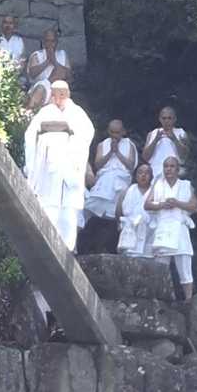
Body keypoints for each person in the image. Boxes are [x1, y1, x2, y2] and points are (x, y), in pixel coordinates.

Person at [24, 80, 95, 325]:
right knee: (48, 216)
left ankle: (68, 255)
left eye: (62, 93)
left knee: (68, 220)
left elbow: (85, 135)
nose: (58, 97)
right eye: (55, 94)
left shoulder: (78, 114)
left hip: (68, 175)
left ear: (68, 93)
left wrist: (69, 136)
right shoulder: (45, 113)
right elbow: (30, 137)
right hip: (47, 175)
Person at [144, 155, 197, 298]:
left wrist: (177, 203)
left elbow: (195, 207)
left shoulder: (186, 185)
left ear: (177, 169)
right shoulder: (158, 184)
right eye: (166, 166)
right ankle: (160, 298)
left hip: (180, 227)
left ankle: (188, 299)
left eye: (172, 166)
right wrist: (162, 204)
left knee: (184, 265)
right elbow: (147, 204)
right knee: (160, 267)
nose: (168, 169)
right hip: (163, 227)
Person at [85, 120, 139, 223]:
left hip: (122, 177)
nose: (114, 135)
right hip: (104, 177)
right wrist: (110, 152)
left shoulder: (129, 144)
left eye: (117, 132)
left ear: (123, 132)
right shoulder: (102, 144)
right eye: (112, 132)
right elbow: (98, 165)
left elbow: (131, 166)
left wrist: (117, 152)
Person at [116, 162, 155, 257]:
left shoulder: (156, 192)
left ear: (151, 176)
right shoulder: (126, 191)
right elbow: (118, 212)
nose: (143, 175)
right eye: (140, 172)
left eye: (147, 173)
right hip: (129, 232)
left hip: (149, 232)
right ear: (136, 175)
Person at [142, 106, 189, 173]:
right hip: (155, 171)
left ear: (174, 119)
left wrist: (174, 139)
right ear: (160, 119)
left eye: (169, 118)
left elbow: (185, 156)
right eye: (164, 118)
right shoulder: (152, 134)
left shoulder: (181, 133)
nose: (166, 121)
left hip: (174, 172)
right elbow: (145, 157)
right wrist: (155, 140)